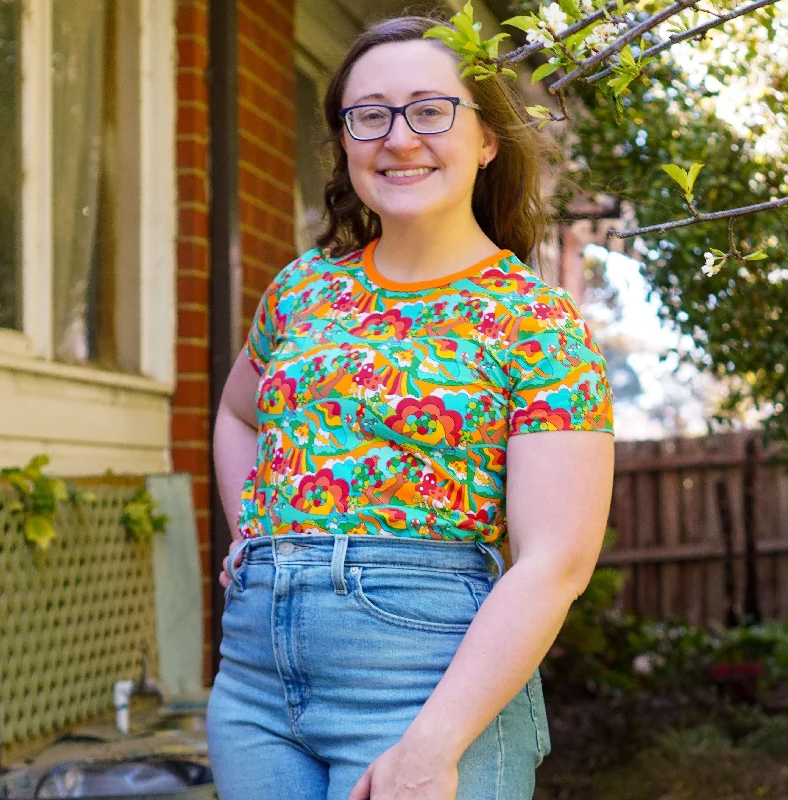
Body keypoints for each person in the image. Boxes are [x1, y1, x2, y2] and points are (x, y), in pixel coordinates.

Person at [206, 13, 615, 800]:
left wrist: (434, 744)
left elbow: (555, 562)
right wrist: (249, 531)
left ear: (488, 137)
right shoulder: (304, 289)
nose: (399, 138)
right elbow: (236, 415)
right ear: (345, 141)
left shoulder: (536, 321)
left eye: (431, 110)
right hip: (256, 688)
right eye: (370, 115)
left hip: (426, 688)